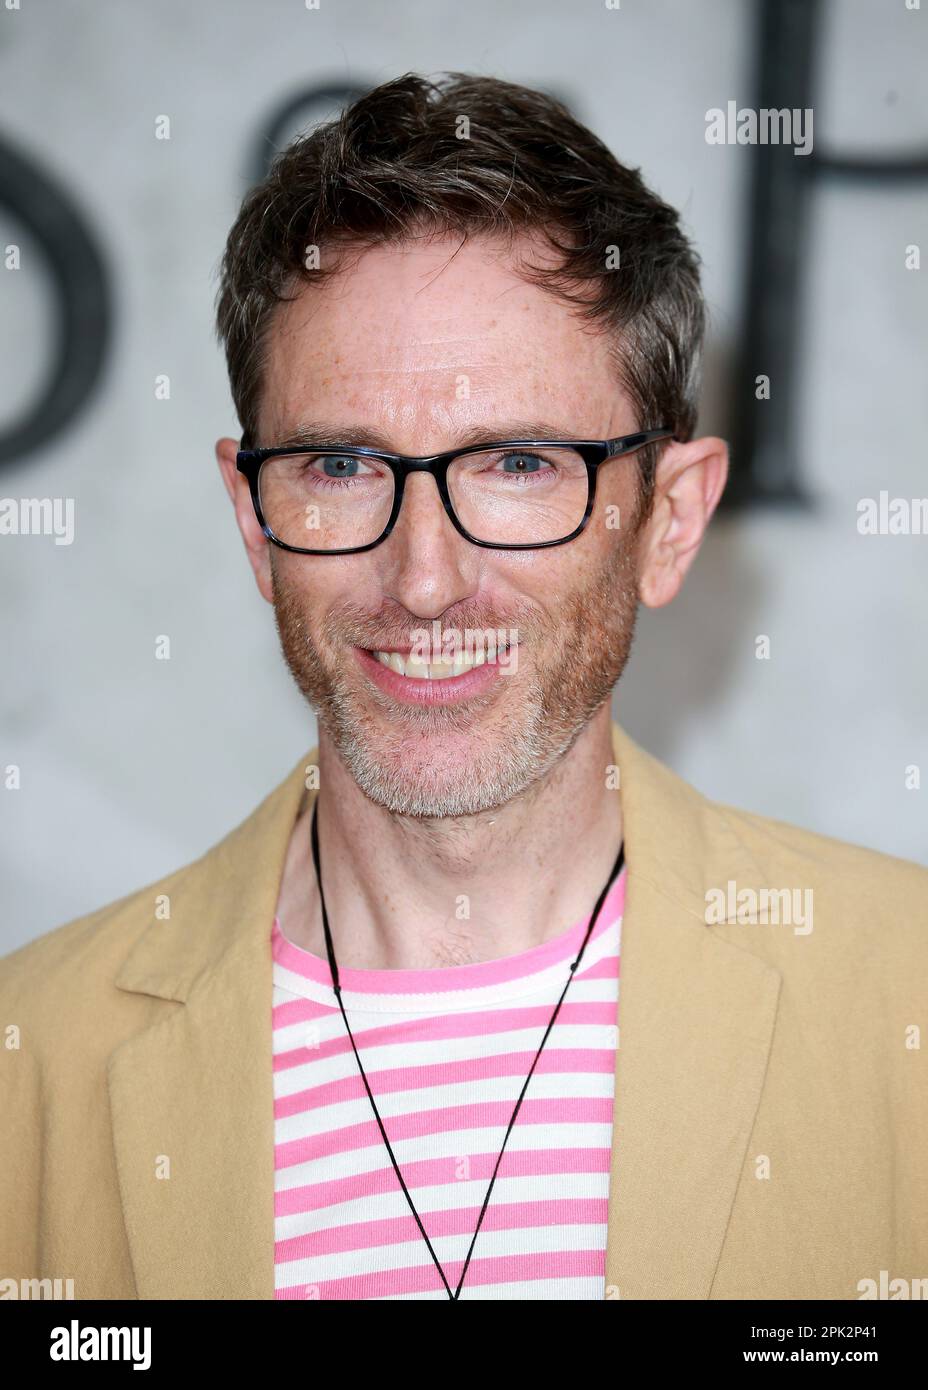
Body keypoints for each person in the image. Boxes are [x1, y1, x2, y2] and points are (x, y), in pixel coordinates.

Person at [2, 72, 926, 1303]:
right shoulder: (31, 1062)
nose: (424, 579)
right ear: (253, 516)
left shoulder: (902, 996)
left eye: (518, 464)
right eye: (340, 463)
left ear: (670, 519)